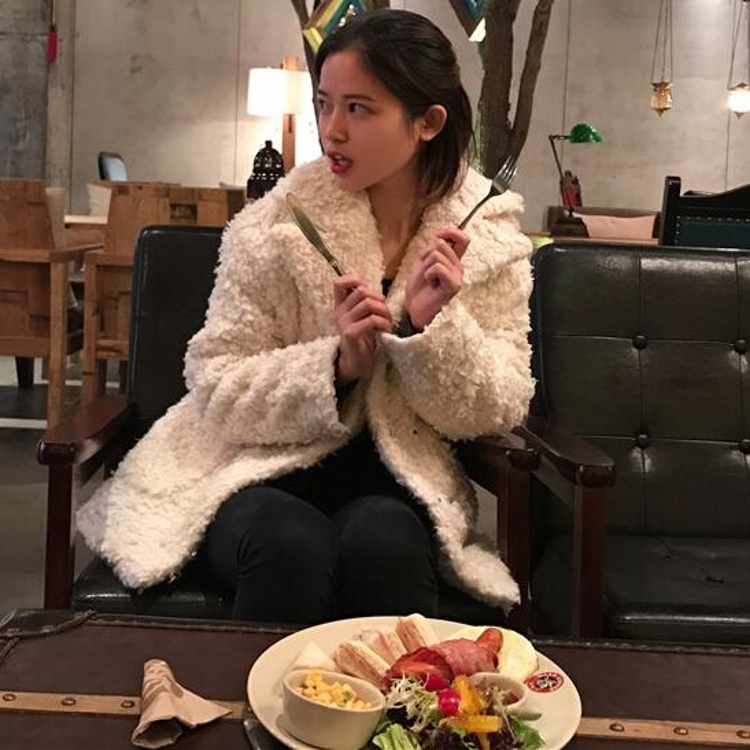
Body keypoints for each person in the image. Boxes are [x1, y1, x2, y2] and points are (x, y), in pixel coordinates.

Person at [77, 9, 534, 623]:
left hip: (398, 483)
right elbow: (216, 381)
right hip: (250, 473)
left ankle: (388, 694)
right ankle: (258, 691)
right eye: (324, 104)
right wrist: (335, 367)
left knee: (386, 544)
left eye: (358, 109)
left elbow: (499, 405)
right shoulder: (275, 225)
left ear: (427, 122)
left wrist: (428, 333)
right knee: (288, 543)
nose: (331, 131)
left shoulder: (489, 238)